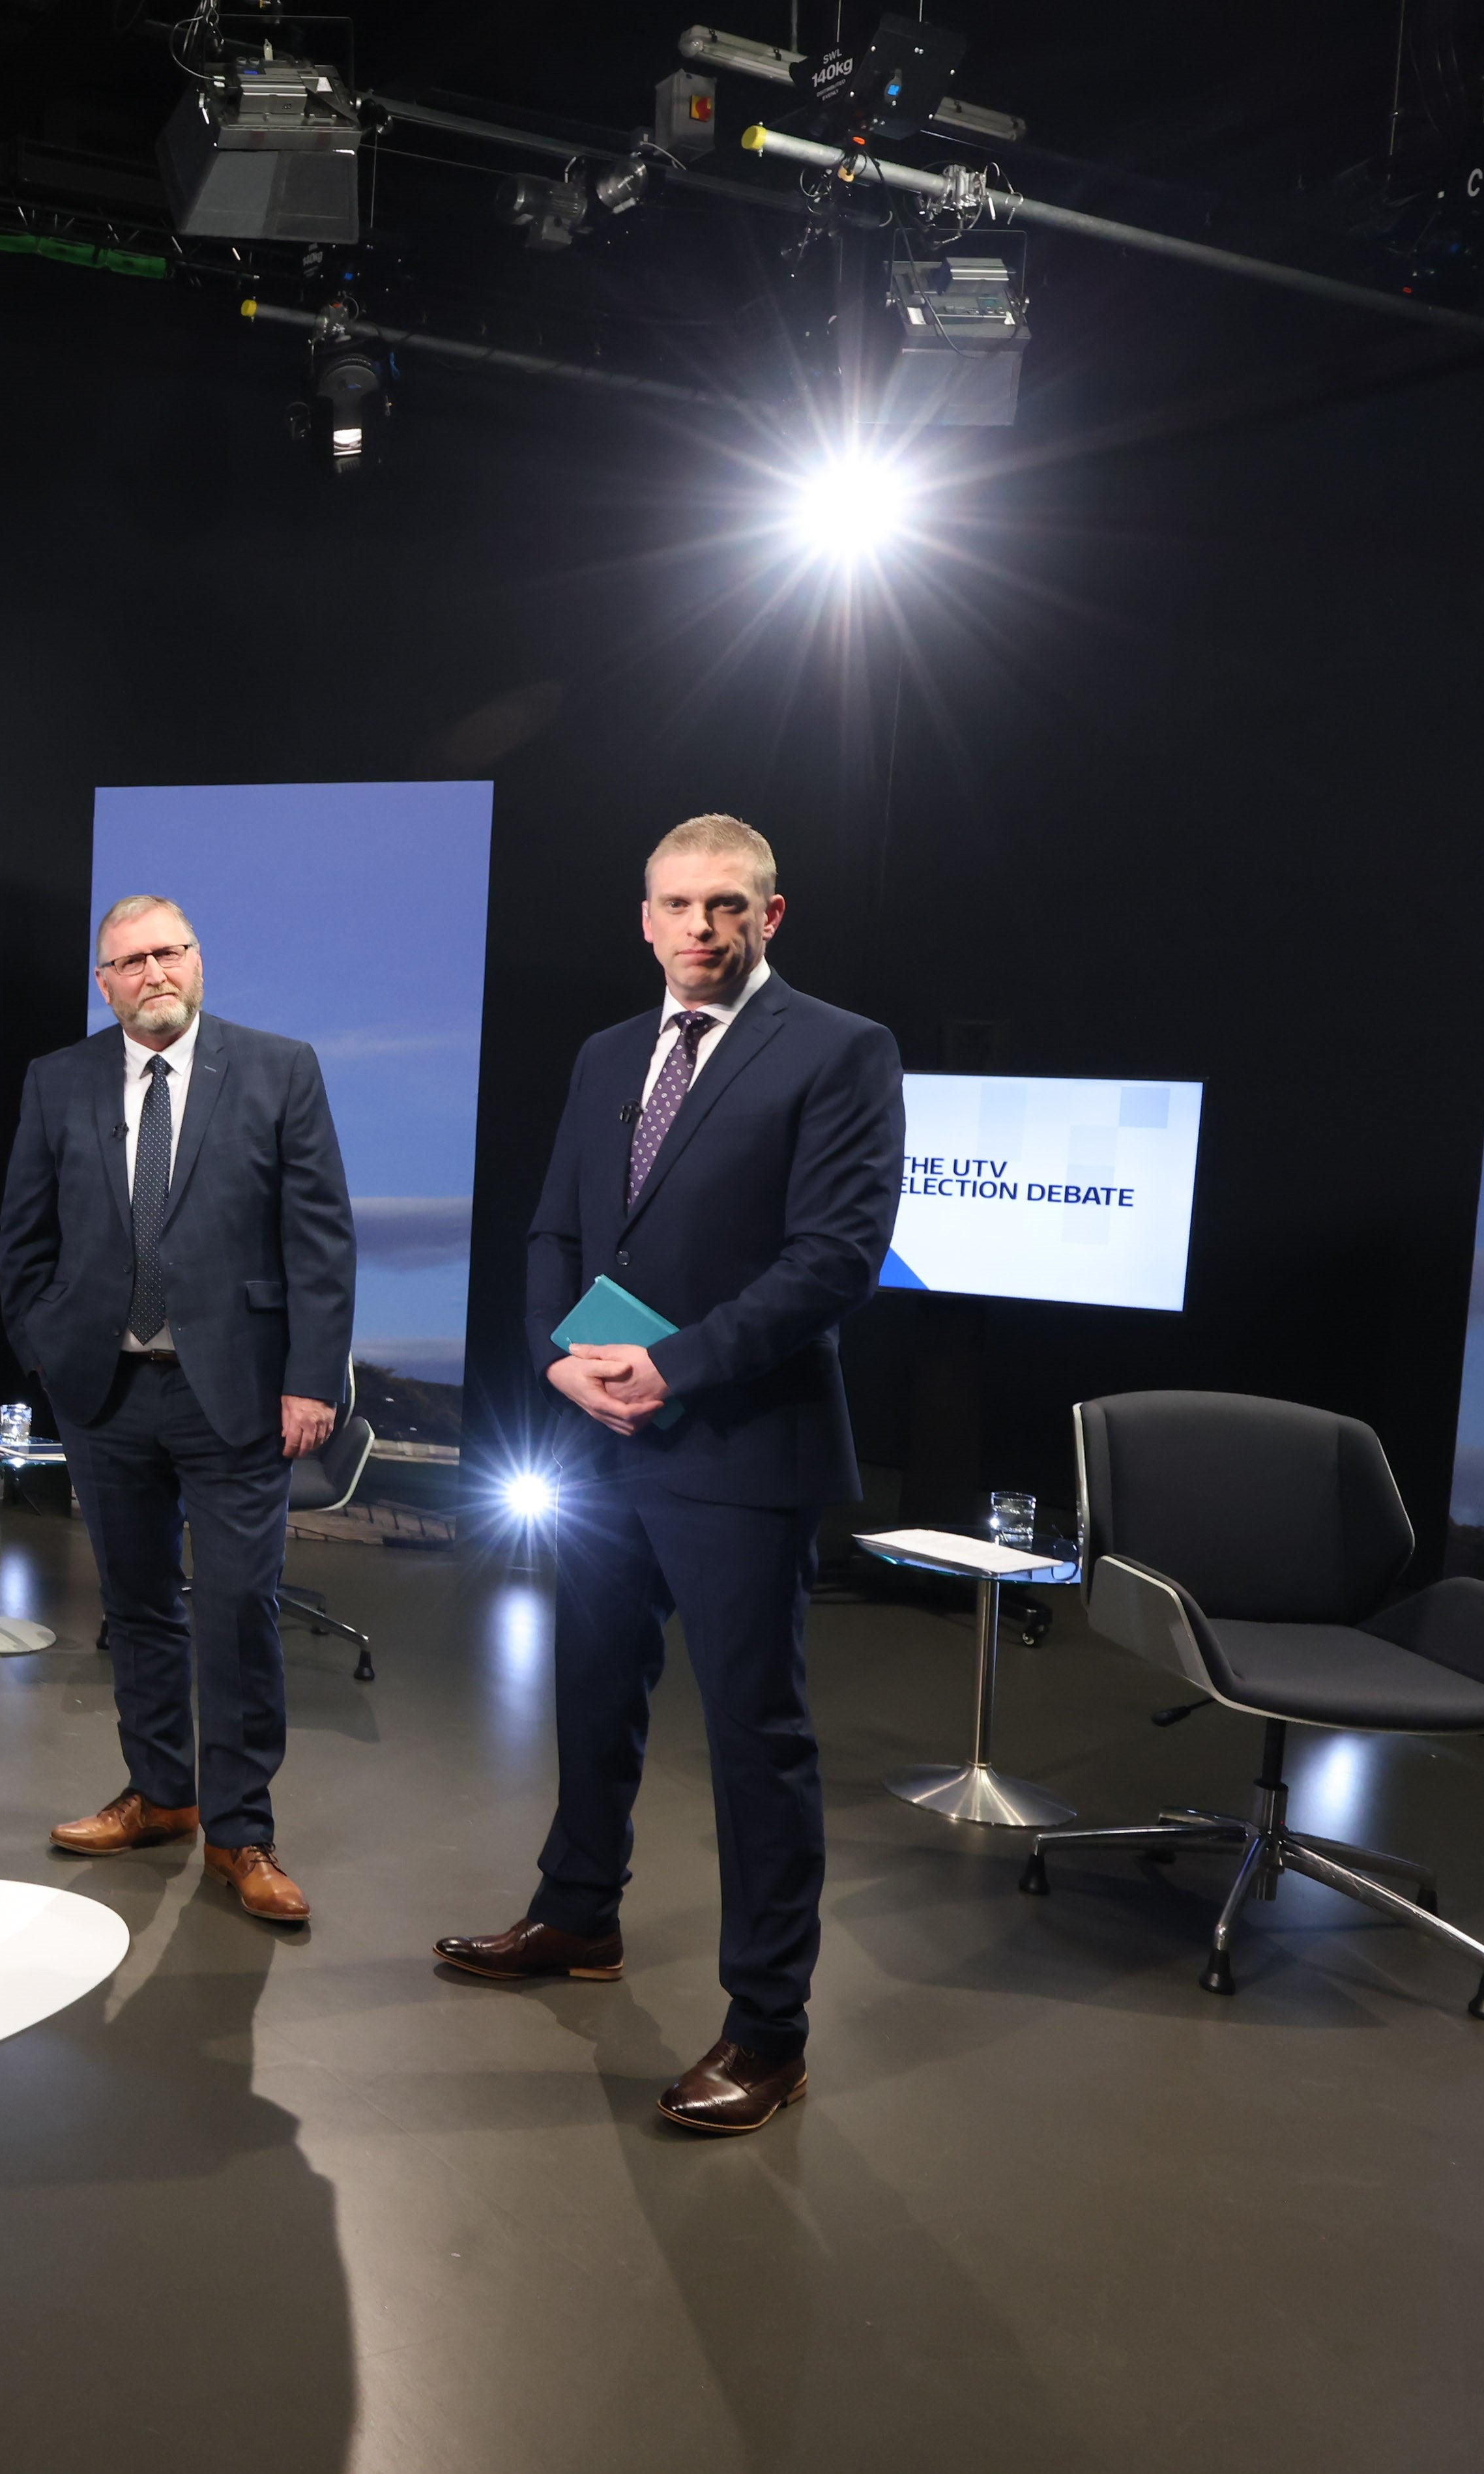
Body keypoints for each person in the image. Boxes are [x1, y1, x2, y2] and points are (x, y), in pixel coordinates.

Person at [437, 813, 901, 2136]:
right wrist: (555, 1356)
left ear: (772, 914)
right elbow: (553, 1227)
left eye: (726, 905)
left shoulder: (838, 1048)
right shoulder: (602, 1054)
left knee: (756, 1741)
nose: (699, 927)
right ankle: (579, 1916)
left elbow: (835, 1256)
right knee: (593, 1691)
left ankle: (771, 2029)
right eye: (677, 904)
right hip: (595, 1435)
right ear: (642, 917)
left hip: (739, 1447)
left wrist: (674, 1366)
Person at [0, 895, 355, 1924]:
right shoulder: (56, 1081)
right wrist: (47, 1350)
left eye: (168, 953)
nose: (151, 972)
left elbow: (319, 1240)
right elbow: (22, 1236)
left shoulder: (279, 1067)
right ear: (103, 982)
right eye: (128, 961)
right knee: (138, 1607)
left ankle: (243, 1836)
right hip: (104, 1394)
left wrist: (309, 1380)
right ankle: (162, 1795)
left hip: (236, 1391)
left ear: (196, 963)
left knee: (238, 1612)